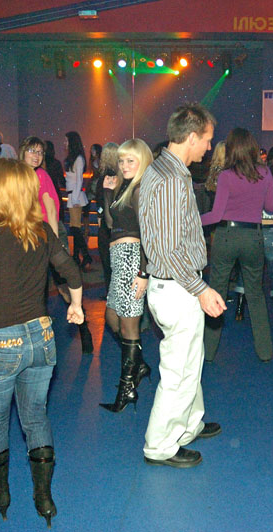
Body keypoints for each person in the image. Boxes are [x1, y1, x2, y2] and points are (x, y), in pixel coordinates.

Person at [0, 158, 84, 526]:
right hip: (42, 338)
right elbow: (71, 270)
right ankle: (44, 498)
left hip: (0, 345)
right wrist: (76, 305)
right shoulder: (42, 231)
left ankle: (1, 496)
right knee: (35, 417)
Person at [139, 103, 225, 468]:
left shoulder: (160, 168)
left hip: (169, 286)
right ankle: (160, 445)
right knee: (178, 371)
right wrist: (201, 289)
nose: (208, 146)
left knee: (190, 361)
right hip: (177, 287)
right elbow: (169, 249)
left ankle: (189, 425)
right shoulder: (173, 179)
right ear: (191, 137)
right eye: (206, 139)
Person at [201, 128, 273, 363]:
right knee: (256, 294)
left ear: (232, 149)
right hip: (253, 237)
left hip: (226, 236)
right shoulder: (265, 173)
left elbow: (215, 215)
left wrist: (190, 221)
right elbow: (270, 208)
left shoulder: (226, 175)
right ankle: (265, 351)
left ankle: (208, 352)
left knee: (217, 292)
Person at [21, 136, 93, 354]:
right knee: (34, 286)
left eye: (40, 152)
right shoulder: (18, 176)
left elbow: (51, 210)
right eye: (32, 151)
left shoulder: (41, 175)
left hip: (49, 233)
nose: (36, 156)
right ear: (23, 152)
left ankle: (84, 328)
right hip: (29, 236)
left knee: (63, 285)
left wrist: (53, 244)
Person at [98, 139, 154, 412]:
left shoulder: (141, 189)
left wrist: (143, 272)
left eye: (130, 160)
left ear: (142, 160)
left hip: (133, 260)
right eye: (121, 161)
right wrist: (108, 192)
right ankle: (138, 365)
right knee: (112, 317)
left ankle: (126, 389)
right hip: (119, 259)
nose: (124, 165)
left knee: (129, 326)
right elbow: (110, 224)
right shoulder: (126, 187)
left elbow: (147, 234)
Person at [231, 145, 273, 324]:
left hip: (254, 229)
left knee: (246, 270)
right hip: (272, 230)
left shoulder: (257, 177)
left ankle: (239, 310)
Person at [64, 131, 92, 270]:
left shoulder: (79, 158)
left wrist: (74, 198)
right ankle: (76, 256)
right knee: (75, 228)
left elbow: (79, 180)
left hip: (76, 197)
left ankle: (85, 255)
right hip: (73, 196)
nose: (65, 143)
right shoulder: (72, 158)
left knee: (75, 228)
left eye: (66, 141)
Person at [94, 142, 118, 298]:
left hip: (107, 223)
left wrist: (99, 215)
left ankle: (111, 294)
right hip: (118, 223)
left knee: (107, 262)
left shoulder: (105, 177)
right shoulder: (121, 177)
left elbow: (100, 201)